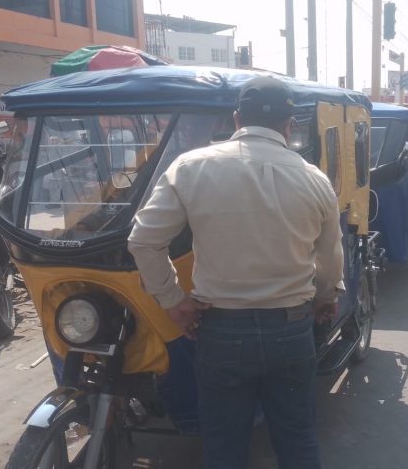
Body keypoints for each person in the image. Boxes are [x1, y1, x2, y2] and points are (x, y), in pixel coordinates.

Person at [128, 76, 342, 469]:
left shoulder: (190, 167)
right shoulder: (316, 180)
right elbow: (329, 260)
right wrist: (326, 299)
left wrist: (174, 302)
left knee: (224, 448)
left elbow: (143, 241)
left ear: (237, 117)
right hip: (291, 331)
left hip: (221, 333)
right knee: (297, 442)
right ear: (289, 124)